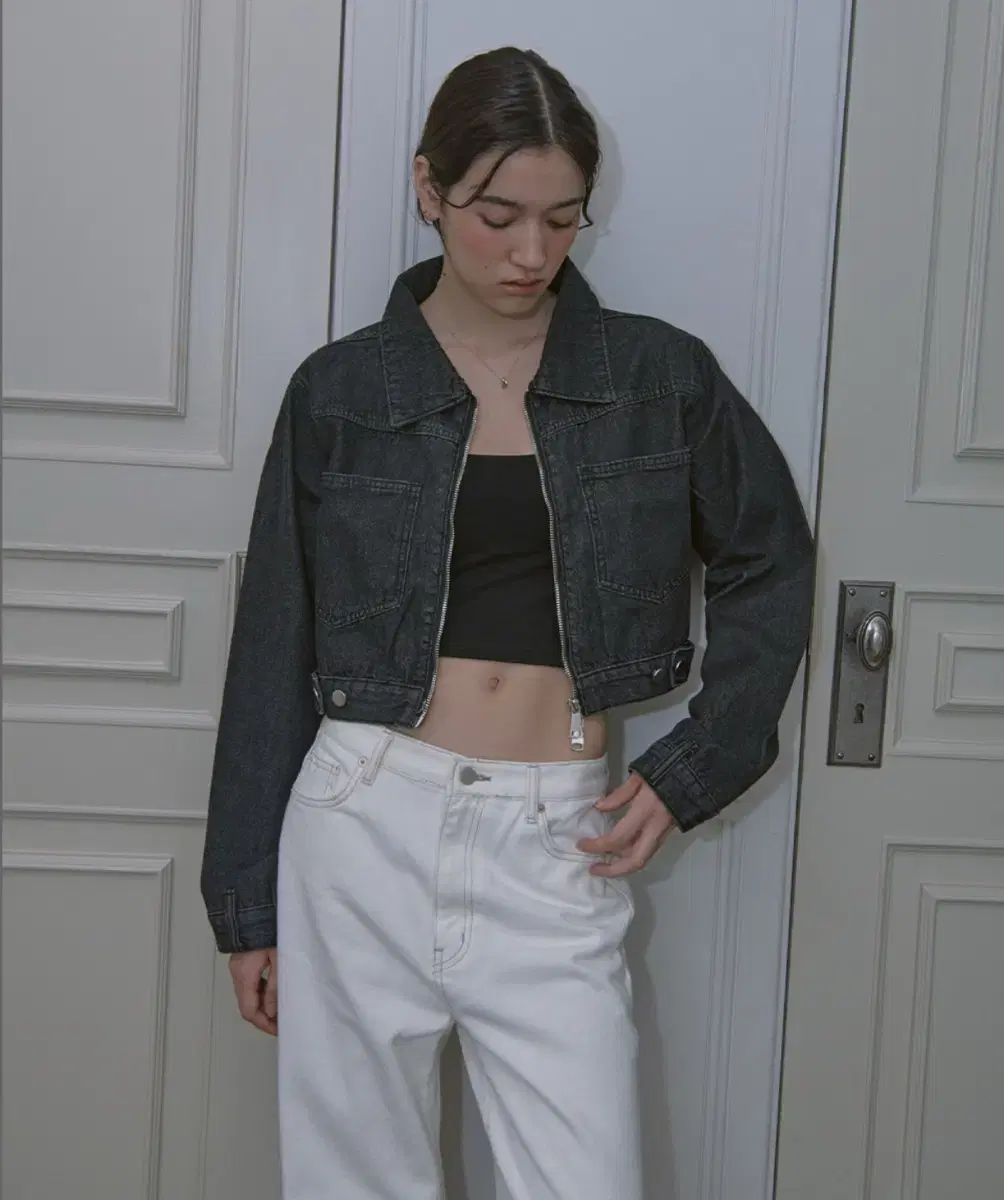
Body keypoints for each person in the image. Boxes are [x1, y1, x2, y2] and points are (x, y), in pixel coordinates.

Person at [200, 45, 814, 1200]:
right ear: (428, 188)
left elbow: (768, 558)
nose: (531, 252)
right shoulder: (339, 392)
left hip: (556, 835)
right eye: (496, 216)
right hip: (360, 821)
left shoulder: (660, 380)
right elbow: (272, 640)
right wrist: (245, 904)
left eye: (562, 218)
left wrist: (696, 764)